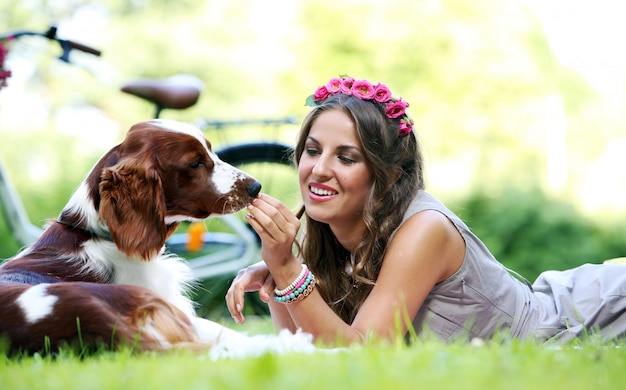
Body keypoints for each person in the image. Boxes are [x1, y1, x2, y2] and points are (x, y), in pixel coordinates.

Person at [225, 76, 626, 346]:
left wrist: (289, 271)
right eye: (312, 151)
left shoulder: (425, 230)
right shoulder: (331, 231)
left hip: (591, 318)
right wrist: (281, 277)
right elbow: (304, 349)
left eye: (346, 158)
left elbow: (361, 353)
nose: (319, 168)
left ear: (387, 174)